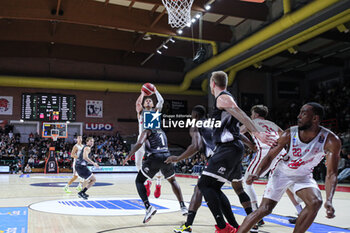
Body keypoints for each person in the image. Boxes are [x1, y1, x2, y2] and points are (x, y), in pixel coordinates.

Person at [237, 103, 341, 233]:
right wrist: (258, 173)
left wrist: (329, 200)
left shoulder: (331, 140)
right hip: (282, 173)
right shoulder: (289, 134)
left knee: (316, 202)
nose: (298, 116)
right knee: (265, 209)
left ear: (315, 118)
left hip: (303, 175)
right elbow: (270, 156)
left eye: (303, 113)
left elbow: (331, 174)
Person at [197, 71, 274, 233]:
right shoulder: (223, 99)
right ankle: (234, 227)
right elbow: (236, 130)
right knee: (214, 187)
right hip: (229, 148)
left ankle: (224, 227)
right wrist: (249, 142)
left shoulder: (223, 98)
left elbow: (242, 115)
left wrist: (256, 133)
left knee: (204, 184)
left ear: (212, 83)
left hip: (228, 149)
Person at [166, 105, 258, 233]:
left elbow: (196, 146)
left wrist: (177, 158)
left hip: (220, 156)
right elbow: (236, 134)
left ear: (195, 115)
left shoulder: (196, 125)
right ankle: (243, 224)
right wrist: (251, 144)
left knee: (201, 187)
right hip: (235, 152)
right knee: (237, 189)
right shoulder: (215, 122)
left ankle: (189, 226)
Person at [241, 105, 302, 225]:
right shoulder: (272, 124)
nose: (251, 116)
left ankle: (256, 214)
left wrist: (249, 144)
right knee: (285, 184)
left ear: (256, 115)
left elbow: (237, 133)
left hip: (266, 151)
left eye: (252, 114)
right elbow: (285, 136)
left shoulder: (251, 122)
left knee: (247, 181)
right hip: (281, 151)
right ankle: (300, 212)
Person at [123, 127, 188, 224]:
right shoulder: (161, 131)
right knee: (173, 180)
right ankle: (183, 206)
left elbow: (140, 143)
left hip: (155, 157)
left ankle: (148, 207)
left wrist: (129, 155)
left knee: (139, 181)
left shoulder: (147, 131)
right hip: (167, 156)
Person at [135, 85, 164, 198]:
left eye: (150, 101)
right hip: (141, 139)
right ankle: (147, 182)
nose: (147, 101)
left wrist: (155, 90)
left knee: (158, 163)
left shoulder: (156, 111)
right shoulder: (141, 111)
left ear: (152, 104)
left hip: (153, 140)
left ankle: (158, 183)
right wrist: (143, 93)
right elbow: (138, 104)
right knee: (137, 163)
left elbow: (161, 100)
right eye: (146, 101)